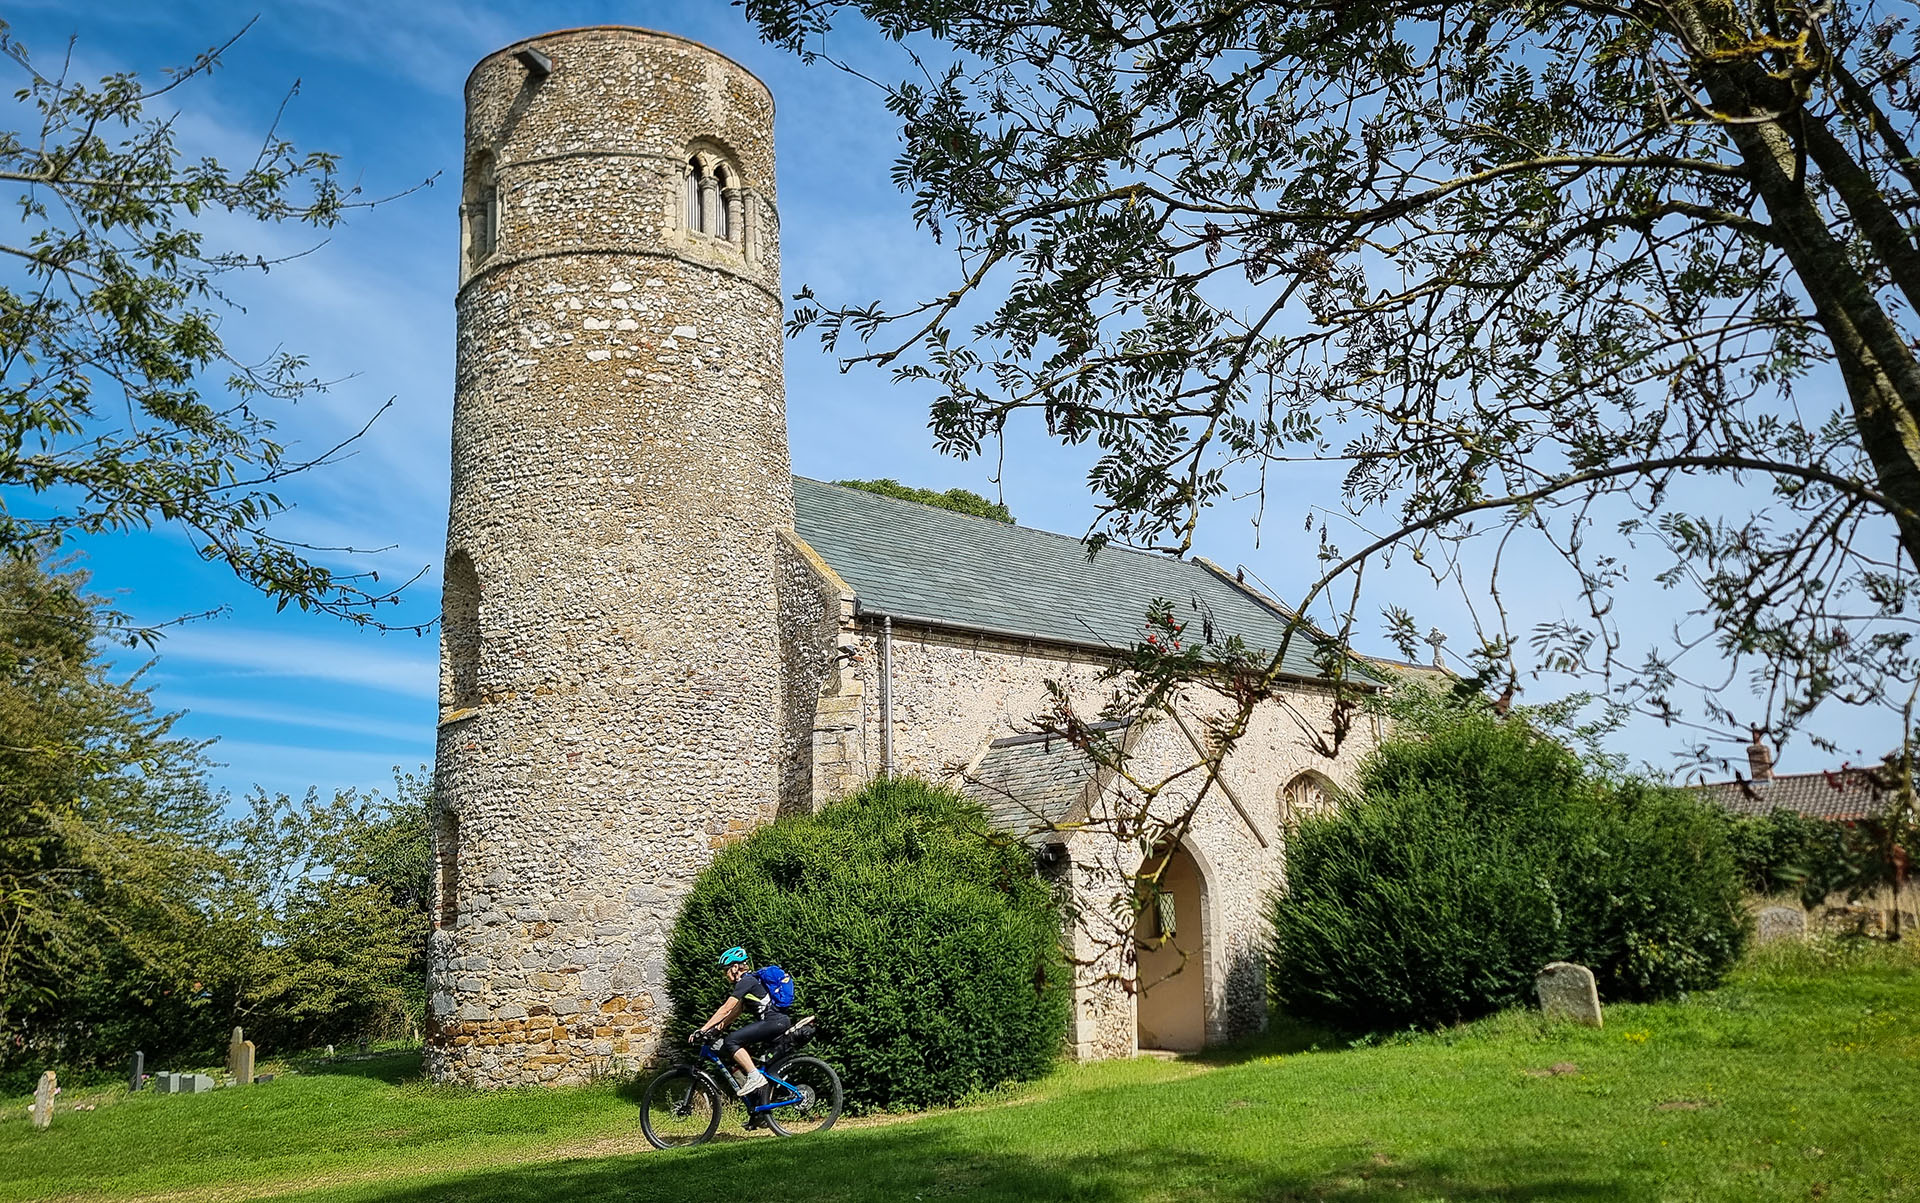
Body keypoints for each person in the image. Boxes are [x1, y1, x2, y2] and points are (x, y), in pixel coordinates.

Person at [690, 946, 793, 1121]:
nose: (725, 975)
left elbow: (726, 1008)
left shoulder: (746, 981)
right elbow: (733, 1014)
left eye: (726, 971)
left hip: (774, 1022)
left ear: (735, 967)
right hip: (774, 1023)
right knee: (740, 1057)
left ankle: (754, 1077)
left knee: (731, 1041)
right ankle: (759, 1114)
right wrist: (715, 1030)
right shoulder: (750, 984)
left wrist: (703, 1029)